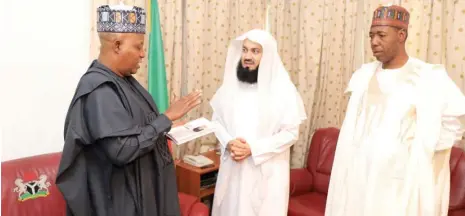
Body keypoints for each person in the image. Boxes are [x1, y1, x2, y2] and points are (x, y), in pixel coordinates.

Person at [55, 4, 201, 216]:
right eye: (138, 46)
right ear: (117, 45)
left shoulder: (125, 81)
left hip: (143, 191)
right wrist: (166, 116)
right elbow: (122, 150)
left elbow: (137, 128)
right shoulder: (99, 89)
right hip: (121, 203)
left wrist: (167, 126)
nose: (143, 54)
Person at [325, 5, 465, 216]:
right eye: (371, 36)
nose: (374, 42)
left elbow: (453, 124)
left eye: (381, 35)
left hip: (398, 185)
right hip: (358, 177)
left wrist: (418, 153)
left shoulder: (428, 76)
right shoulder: (363, 75)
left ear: (401, 35)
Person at [210, 29, 307, 216]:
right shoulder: (229, 87)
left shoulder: (283, 90)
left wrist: (252, 149)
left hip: (266, 174)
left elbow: (290, 133)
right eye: (245, 50)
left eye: (255, 51)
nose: (247, 56)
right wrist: (229, 142)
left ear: (267, 55)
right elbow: (216, 122)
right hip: (233, 170)